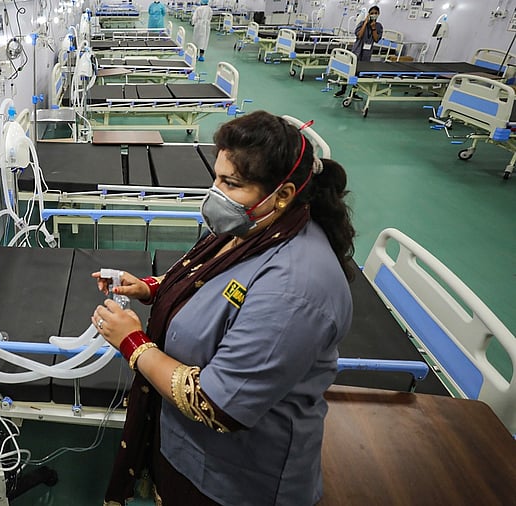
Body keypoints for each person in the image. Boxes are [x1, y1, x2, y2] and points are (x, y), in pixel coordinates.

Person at [92, 110, 356, 505]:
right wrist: (150, 288)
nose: (215, 193)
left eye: (231, 184)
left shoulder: (294, 290)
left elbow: (217, 404)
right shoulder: (254, 227)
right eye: (216, 177)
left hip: (237, 482)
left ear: (282, 194)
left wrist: (133, 343)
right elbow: (216, 280)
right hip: (186, 452)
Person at [335, 6, 383, 100]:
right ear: (368, 14)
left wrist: (373, 28)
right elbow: (359, 35)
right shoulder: (361, 24)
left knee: (359, 73)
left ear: (378, 14)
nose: (373, 15)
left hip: (367, 53)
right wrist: (365, 23)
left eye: (375, 13)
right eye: (371, 13)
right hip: (357, 51)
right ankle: (343, 90)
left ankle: (353, 93)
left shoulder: (379, 26)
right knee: (349, 70)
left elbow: (376, 39)